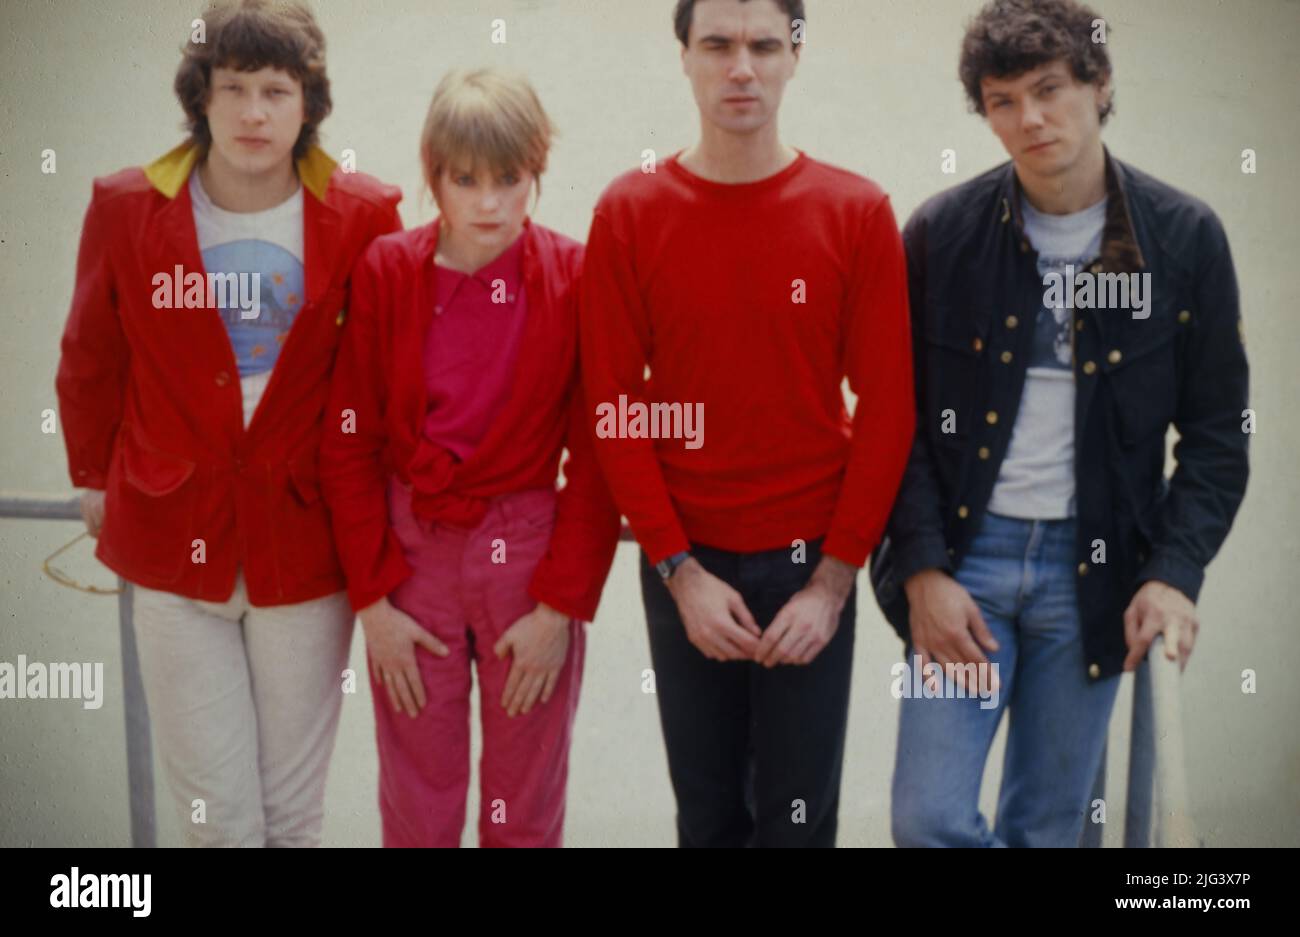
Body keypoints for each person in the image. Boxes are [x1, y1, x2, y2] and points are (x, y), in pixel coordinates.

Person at [871, 0, 1250, 847]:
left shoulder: (1184, 240)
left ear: (1099, 83)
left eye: (1049, 89)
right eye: (1003, 100)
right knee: (925, 818)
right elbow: (896, 423)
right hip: (968, 565)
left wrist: (1174, 571)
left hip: (1096, 571)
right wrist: (924, 571)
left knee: (1047, 830)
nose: (1029, 118)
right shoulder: (940, 234)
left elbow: (1221, 435)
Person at [55, 0, 402, 846]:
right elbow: (90, 357)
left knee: (291, 817)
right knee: (215, 819)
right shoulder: (126, 207)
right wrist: (93, 476)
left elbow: (389, 383)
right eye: (234, 87)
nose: (253, 113)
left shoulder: (365, 214)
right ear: (199, 97)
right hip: (175, 542)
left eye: (276, 91)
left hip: (305, 545)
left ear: (308, 105)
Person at [579, 0, 914, 847]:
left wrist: (833, 583)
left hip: (812, 566)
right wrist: (678, 571)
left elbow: (889, 410)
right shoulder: (630, 209)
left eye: (766, 45)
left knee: (799, 824)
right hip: (686, 564)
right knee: (711, 821)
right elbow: (613, 408)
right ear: (684, 57)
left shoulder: (856, 210)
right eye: (718, 45)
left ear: (794, 57)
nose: (742, 67)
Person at [320, 68, 621, 848]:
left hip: (527, 556)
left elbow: (598, 456)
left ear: (536, 172)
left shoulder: (574, 276)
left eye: (509, 178)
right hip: (410, 554)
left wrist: (561, 606)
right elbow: (349, 440)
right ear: (435, 177)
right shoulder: (389, 271)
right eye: (465, 180)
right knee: (418, 807)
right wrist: (373, 602)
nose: (488, 203)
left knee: (524, 805)